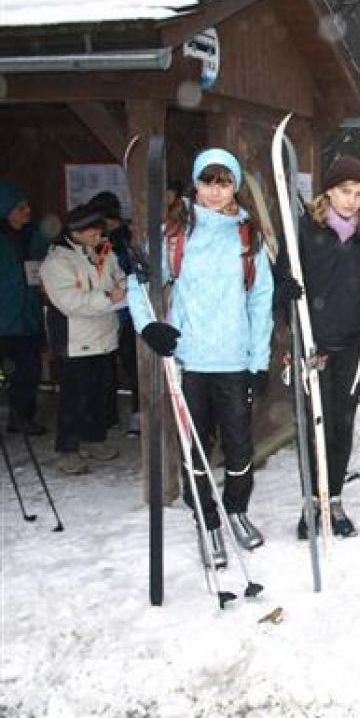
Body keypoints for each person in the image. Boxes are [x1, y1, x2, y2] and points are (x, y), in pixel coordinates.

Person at [128, 148, 274, 568]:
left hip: (234, 359)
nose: (215, 191)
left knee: (240, 446)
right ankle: (207, 520)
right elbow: (139, 284)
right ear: (196, 183)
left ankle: (236, 510)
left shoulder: (250, 238)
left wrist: (258, 362)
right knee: (193, 449)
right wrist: (149, 327)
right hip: (189, 360)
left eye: (224, 182)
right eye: (208, 181)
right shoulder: (173, 234)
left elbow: (260, 302)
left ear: (234, 187)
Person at [296, 155, 360, 539]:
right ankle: (311, 504)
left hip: (351, 344)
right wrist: (286, 281)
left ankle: (333, 499)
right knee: (315, 426)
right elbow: (285, 278)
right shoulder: (305, 231)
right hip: (313, 345)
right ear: (328, 192)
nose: (351, 200)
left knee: (341, 425)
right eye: (343, 191)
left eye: (357, 193)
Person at [40, 204, 126, 474]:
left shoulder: (102, 251)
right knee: (74, 396)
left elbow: (119, 277)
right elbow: (69, 302)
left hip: (104, 333)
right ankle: (68, 448)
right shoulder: (58, 261)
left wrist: (120, 289)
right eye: (94, 231)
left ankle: (95, 438)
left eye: (101, 230)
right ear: (76, 232)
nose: (99, 235)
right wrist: (107, 299)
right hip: (74, 338)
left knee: (100, 392)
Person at [89, 191, 141, 437]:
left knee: (135, 366)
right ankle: (107, 414)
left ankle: (139, 416)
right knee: (105, 365)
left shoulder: (128, 238)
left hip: (131, 312)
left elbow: (134, 272)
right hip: (107, 310)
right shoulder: (101, 240)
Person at [0, 181, 49, 436]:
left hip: (27, 319)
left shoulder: (33, 236)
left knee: (28, 373)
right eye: (20, 207)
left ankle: (21, 418)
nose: (27, 210)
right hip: (4, 318)